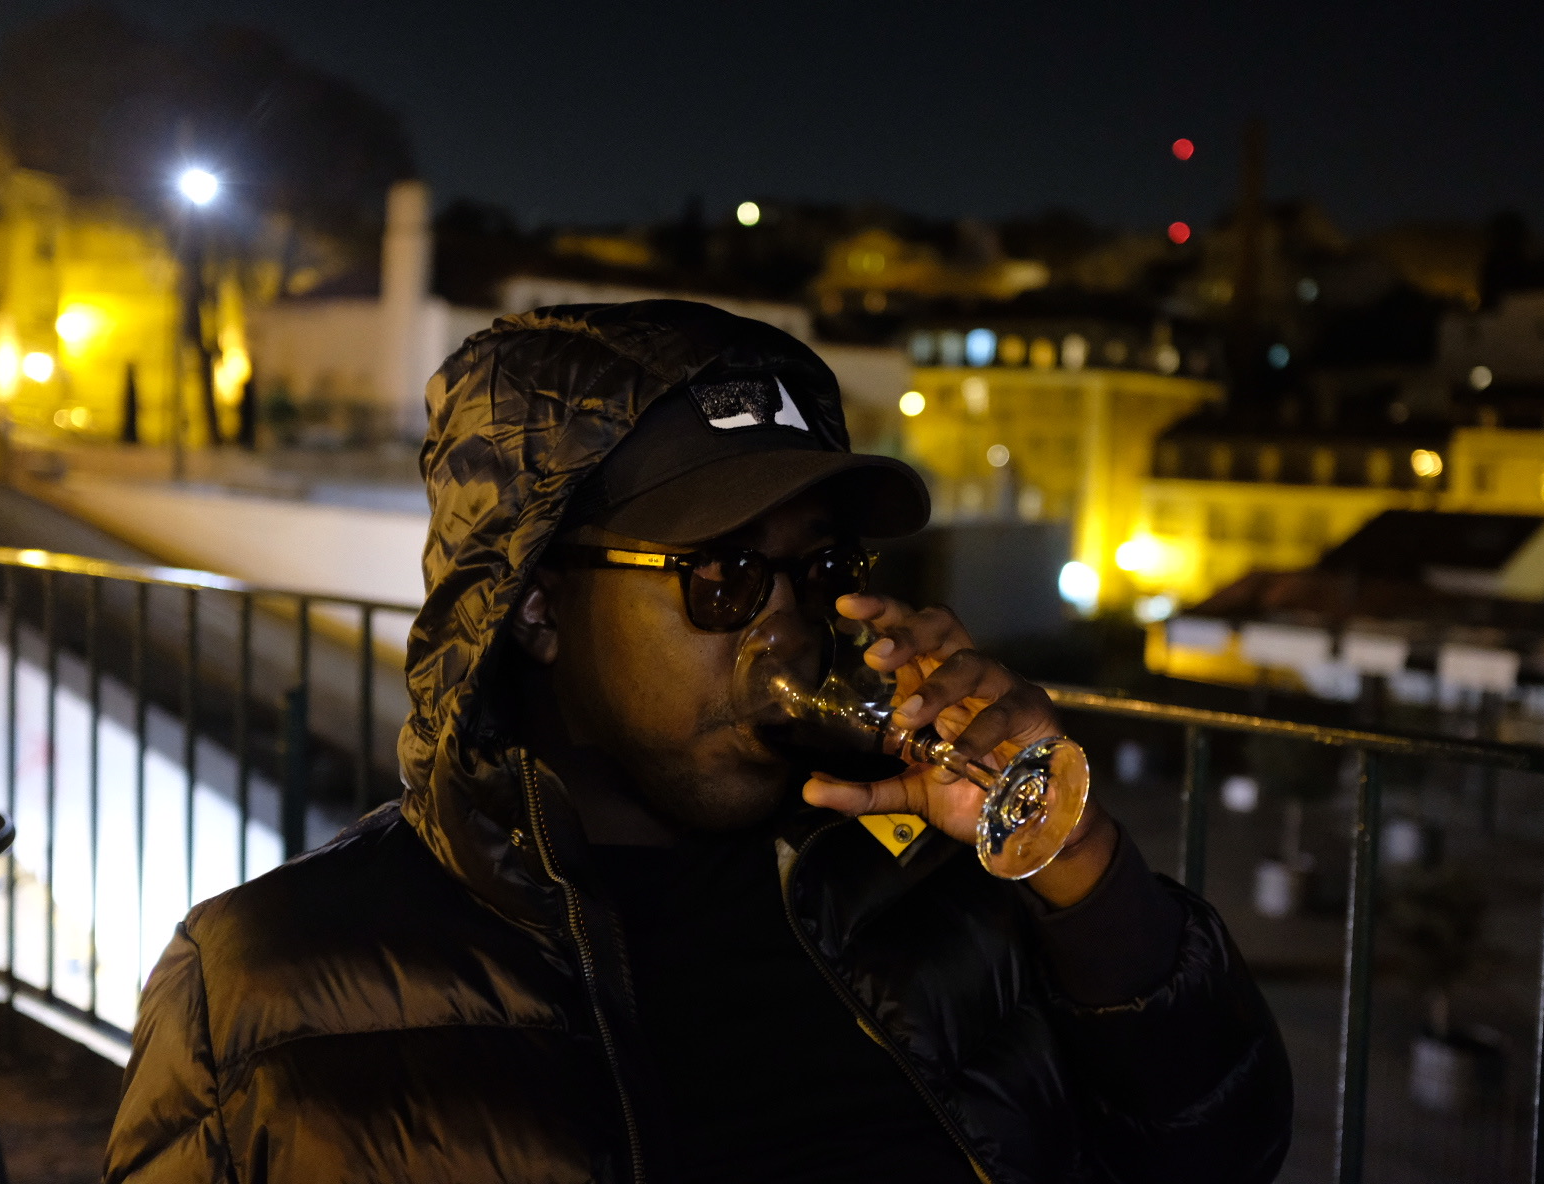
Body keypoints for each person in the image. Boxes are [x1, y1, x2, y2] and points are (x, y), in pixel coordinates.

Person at [104, 300, 1292, 1183]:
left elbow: (1222, 1142)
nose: (787, 622)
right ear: (534, 602)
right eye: (721, 573)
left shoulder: (939, 891)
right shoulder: (264, 980)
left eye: (820, 568)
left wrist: (1066, 850)